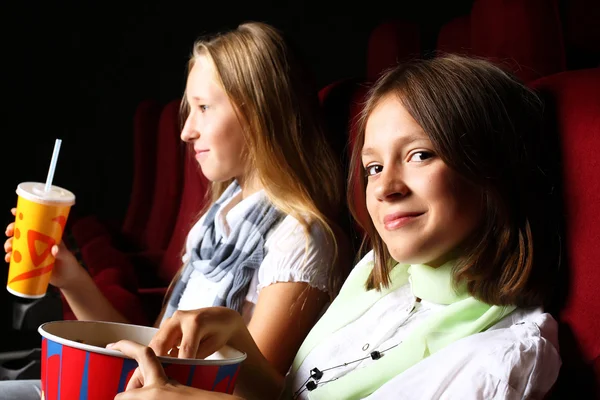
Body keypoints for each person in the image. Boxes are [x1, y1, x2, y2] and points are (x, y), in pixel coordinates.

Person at [109, 54, 563, 399]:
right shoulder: (376, 279)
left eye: (420, 155)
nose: (386, 188)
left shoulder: (503, 356)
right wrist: (237, 343)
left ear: (494, 171)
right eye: (373, 167)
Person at [2, 22, 349, 398]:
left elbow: (249, 393)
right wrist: (71, 278)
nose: (186, 131)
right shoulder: (222, 212)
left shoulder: (300, 238)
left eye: (203, 108)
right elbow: (150, 348)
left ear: (261, 113)